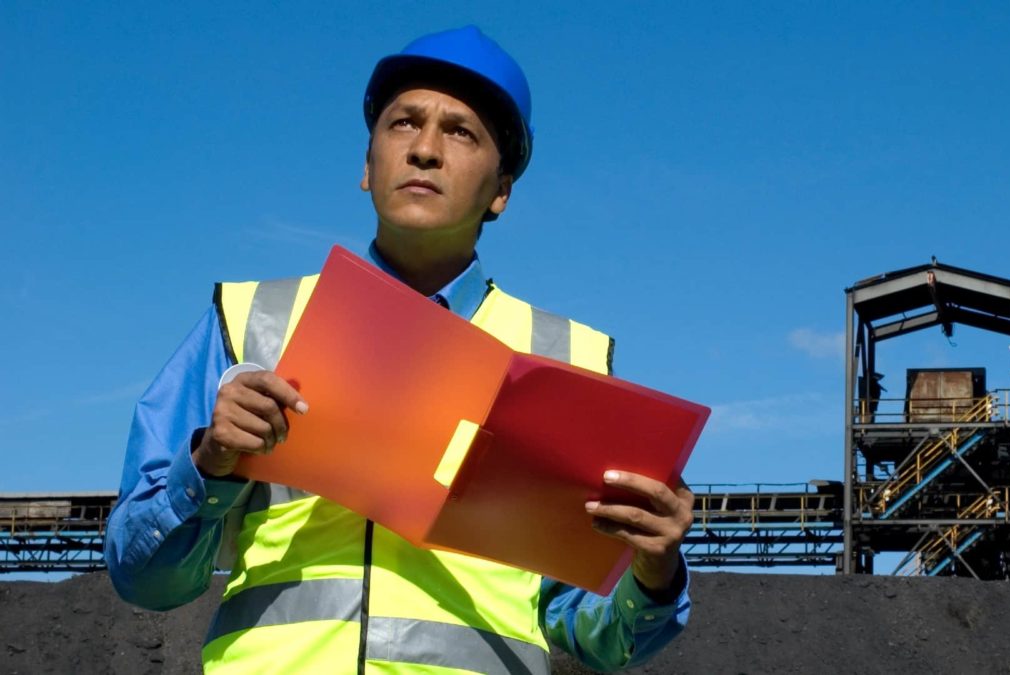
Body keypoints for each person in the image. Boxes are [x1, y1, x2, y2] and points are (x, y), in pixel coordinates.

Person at [104, 26, 694, 674]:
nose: (425, 150)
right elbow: (144, 580)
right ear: (365, 166)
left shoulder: (568, 360)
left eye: (461, 132)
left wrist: (654, 571)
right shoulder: (253, 324)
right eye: (404, 123)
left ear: (501, 189)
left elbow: (593, 633)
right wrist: (210, 464)